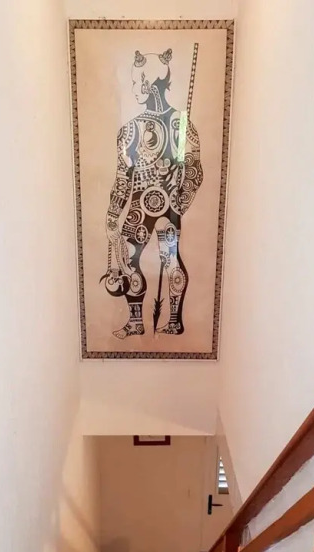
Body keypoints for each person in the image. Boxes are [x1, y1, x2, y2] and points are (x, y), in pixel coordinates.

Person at [102, 47, 203, 339]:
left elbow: (123, 181)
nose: (134, 88)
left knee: (131, 260)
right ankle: (171, 322)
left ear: (148, 84)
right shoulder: (181, 125)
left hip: (140, 208)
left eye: (136, 82)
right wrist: (179, 204)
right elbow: (194, 174)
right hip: (169, 208)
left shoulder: (132, 130)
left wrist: (113, 215)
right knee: (169, 261)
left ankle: (140, 322)